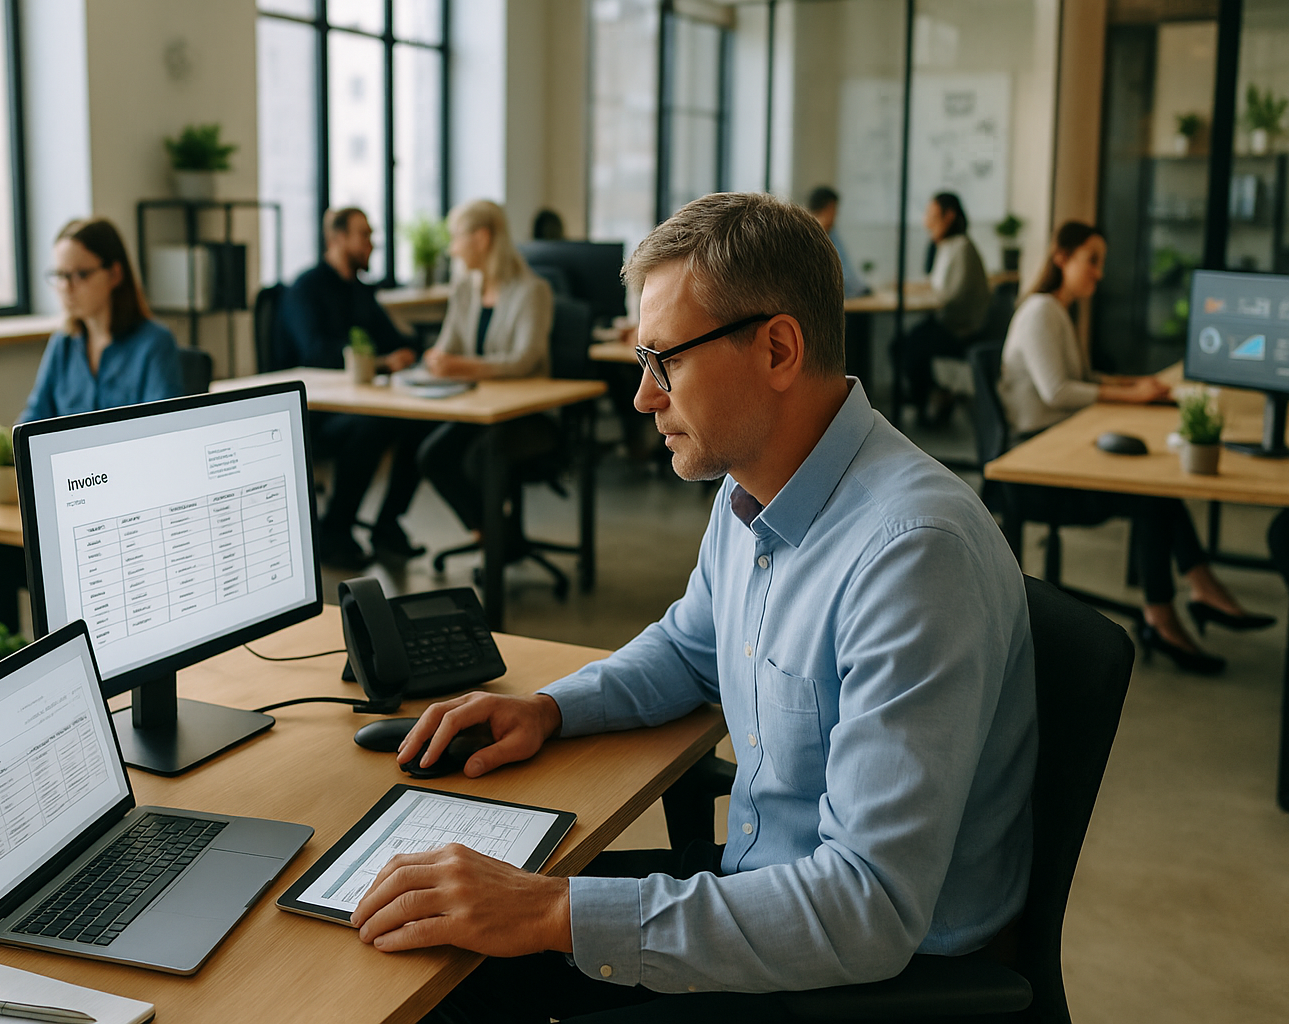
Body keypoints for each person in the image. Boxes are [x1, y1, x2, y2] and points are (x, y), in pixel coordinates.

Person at [351, 192, 1039, 1020]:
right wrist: (545, 709)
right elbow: (688, 648)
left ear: (779, 348)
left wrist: (546, 913)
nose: (644, 397)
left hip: (873, 974)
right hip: (767, 889)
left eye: (663, 361)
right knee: (435, 940)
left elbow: (869, 907)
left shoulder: (913, 555)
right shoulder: (754, 489)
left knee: (466, 983)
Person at [999, 221, 1273, 673]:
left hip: (1060, 445)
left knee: (1156, 490)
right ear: (1061, 257)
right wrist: (1132, 395)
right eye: (1092, 260)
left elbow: (1083, 382)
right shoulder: (1042, 311)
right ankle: (1165, 614)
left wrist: (1135, 384)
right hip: (1037, 467)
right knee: (1150, 495)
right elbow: (1057, 392)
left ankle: (1198, 588)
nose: (1099, 273)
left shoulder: (1059, 310)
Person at [0, 216, 183, 634]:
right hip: (68, 501)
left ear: (114, 274)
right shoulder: (64, 345)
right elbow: (32, 421)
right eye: (60, 276)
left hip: (121, 513)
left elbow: (158, 444)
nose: (67, 288)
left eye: (80, 275)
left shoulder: (154, 344)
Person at [276, 207, 428, 569]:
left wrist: (415, 350)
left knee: (418, 424)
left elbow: (391, 338)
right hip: (311, 411)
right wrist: (378, 362)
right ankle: (335, 531)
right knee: (370, 428)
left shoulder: (359, 291)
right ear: (337, 238)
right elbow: (314, 352)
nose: (372, 245)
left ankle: (388, 525)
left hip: (352, 402)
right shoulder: (305, 288)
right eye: (364, 235)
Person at [417, 199, 555, 540]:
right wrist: (438, 358)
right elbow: (448, 345)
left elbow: (525, 360)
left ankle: (497, 540)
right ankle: (494, 535)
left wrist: (460, 366)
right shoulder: (465, 289)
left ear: (481, 238)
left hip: (523, 415)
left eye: (456, 238)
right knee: (432, 455)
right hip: (478, 408)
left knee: (479, 459)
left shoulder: (531, 291)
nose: (452, 249)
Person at [898, 191, 991, 425]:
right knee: (900, 346)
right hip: (944, 323)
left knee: (909, 352)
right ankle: (929, 400)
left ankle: (927, 409)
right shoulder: (949, 246)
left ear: (948, 216)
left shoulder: (961, 248)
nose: (926, 221)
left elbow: (948, 296)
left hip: (958, 329)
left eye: (931, 215)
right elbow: (936, 284)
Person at [806, 185, 870, 298]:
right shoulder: (807, 237)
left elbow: (847, 272)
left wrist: (861, 289)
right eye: (835, 210)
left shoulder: (832, 234)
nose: (836, 215)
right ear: (828, 209)